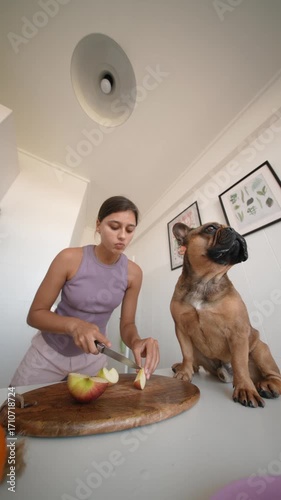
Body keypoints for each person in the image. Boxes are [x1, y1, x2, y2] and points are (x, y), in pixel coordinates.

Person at [11, 196, 160, 386]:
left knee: (89, 413)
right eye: (114, 227)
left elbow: (127, 324)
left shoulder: (134, 274)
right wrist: (75, 325)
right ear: (98, 225)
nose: (123, 235)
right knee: (13, 409)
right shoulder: (68, 258)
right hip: (47, 354)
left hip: (93, 357)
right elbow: (35, 315)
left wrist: (136, 341)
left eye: (130, 229)